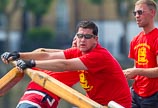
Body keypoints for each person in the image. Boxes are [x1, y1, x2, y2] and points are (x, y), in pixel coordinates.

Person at [1, 20, 131, 108]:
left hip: (113, 105)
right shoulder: (77, 52)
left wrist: (31, 63)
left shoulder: (97, 56)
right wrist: (18, 55)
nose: (81, 40)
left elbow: (65, 65)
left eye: (87, 37)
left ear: (96, 40)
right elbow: (45, 53)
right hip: (93, 103)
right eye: (79, 36)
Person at [4, 37, 79, 108]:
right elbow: (42, 52)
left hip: (41, 99)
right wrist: (15, 56)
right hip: (29, 98)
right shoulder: (49, 58)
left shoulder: (82, 63)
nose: (76, 41)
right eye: (75, 38)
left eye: (85, 37)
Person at [123, 0, 158, 108]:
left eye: (140, 12)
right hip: (135, 94)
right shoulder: (135, 40)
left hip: (154, 96)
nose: (137, 16)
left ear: (152, 13)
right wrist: (125, 74)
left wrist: (136, 71)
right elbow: (137, 67)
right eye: (135, 13)